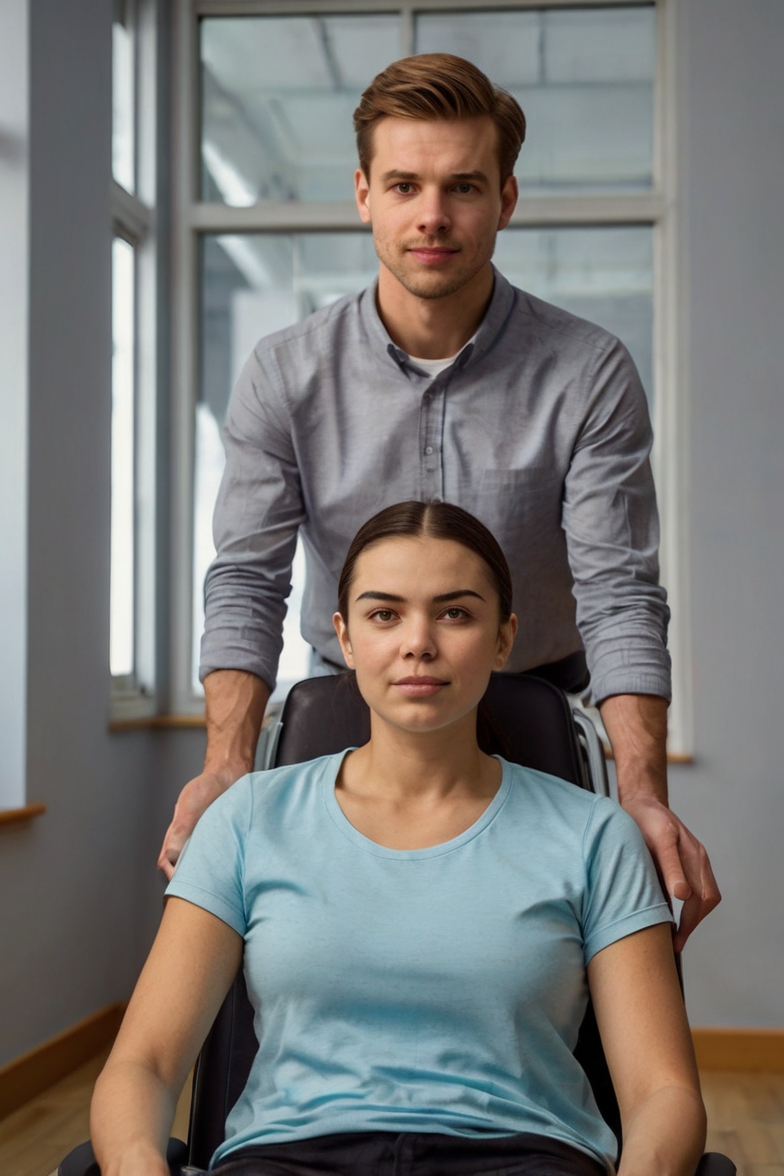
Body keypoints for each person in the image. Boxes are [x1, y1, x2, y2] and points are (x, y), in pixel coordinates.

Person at [158, 53, 719, 950]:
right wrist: (225, 766)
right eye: (405, 184)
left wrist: (644, 794)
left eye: (462, 186)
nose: (432, 216)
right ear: (363, 194)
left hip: (535, 705)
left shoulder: (589, 371)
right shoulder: (285, 372)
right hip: (346, 712)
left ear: (505, 198)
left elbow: (619, 592)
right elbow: (247, 583)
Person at [95, 502, 706, 1176]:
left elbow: (662, 1092)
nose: (419, 641)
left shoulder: (596, 837)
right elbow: (144, 1065)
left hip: (521, 1158)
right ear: (346, 637)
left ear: (503, 639)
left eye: (455, 613)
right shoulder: (244, 821)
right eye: (385, 614)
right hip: (289, 1160)